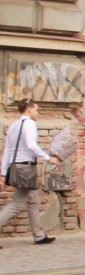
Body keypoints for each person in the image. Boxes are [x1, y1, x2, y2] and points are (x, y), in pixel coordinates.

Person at [0, 99, 61, 247]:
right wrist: (48, 158)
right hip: (26, 169)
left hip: (16, 167)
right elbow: (31, 144)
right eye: (36, 109)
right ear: (28, 109)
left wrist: (3, 171)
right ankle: (39, 235)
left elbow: (7, 150)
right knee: (17, 203)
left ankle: (39, 235)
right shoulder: (30, 124)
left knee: (33, 200)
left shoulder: (13, 126)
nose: (37, 112)